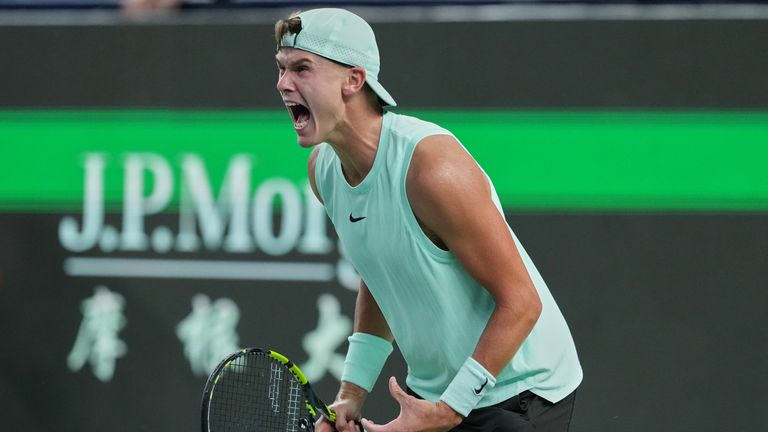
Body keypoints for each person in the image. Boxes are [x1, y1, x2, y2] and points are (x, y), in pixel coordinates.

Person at [274, 8, 582, 432]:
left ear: (354, 80)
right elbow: (378, 275)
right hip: (437, 394)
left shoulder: (432, 168)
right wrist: (352, 394)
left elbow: (522, 303)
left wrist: (449, 411)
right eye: (281, 69)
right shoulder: (323, 170)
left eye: (302, 68)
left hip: (520, 392)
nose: (283, 84)